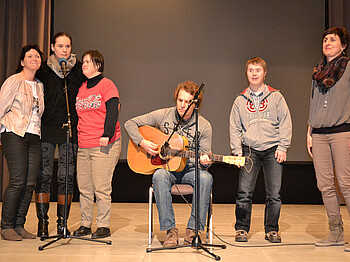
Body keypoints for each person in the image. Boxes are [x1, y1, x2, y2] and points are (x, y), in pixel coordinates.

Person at [124, 80, 213, 248]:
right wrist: (142, 142)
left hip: (191, 169)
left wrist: (205, 162)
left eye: (187, 102)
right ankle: (170, 230)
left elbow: (204, 161)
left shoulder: (204, 126)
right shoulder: (164, 114)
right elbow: (130, 123)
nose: (182, 105)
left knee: (206, 178)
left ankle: (193, 231)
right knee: (159, 175)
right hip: (167, 168)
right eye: (180, 100)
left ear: (196, 104)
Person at [230, 57, 292, 243]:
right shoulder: (240, 100)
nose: (254, 73)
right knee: (244, 192)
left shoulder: (276, 97)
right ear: (246, 73)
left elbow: (285, 122)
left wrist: (283, 146)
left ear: (265, 73)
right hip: (249, 150)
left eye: (258, 70)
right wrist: (236, 150)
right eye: (251, 70)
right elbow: (234, 127)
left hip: (273, 150)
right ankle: (241, 229)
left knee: (274, 194)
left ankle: (272, 230)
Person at [34, 32, 85, 237]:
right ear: (53, 47)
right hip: (46, 129)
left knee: (66, 177)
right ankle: (43, 224)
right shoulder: (43, 70)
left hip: (69, 130)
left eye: (68, 46)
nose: (64, 50)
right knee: (44, 175)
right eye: (60, 46)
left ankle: (62, 225)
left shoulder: (79, 69)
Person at [307, 27, 350, 252]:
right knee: (325, 185)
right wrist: (309, 131)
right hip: (319, 134)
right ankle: (336, 231)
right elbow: (313, 102)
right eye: (324, 39)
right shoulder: (317, 72)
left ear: (343, 45)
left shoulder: (348, 67)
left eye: (332, 39)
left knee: (345, 183)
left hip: (343, 131)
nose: (327, 42)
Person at [73, 50, 121, 239]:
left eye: (87, 62)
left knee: (101, 187)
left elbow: (112, 111)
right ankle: (85, 224)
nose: (83, 64)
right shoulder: (82, 87)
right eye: (83, 61)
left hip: (103, 144)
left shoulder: (107, 84)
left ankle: (103, 225)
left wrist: (106, 134)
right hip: (84, 144)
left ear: (98, 65)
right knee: (84, 187)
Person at [0, 45, 44, 241]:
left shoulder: (40, 85)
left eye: (37, 56)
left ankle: (19, 224)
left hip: (34, 136)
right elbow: (1, 108)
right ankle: (6, 225)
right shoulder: (14, 81)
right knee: (17, 181)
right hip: (14, 133)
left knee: (29, 183)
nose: (34, 58)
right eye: (29, 56)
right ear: (22, 61)